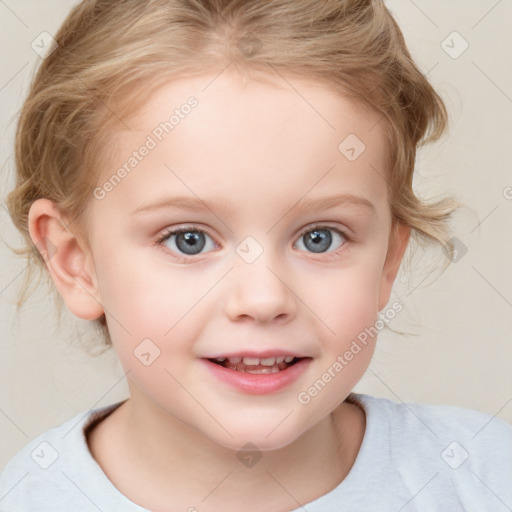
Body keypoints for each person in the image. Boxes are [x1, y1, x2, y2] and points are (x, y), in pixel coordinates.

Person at [1, 0, 510, 510]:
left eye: (320, 237)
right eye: (189, 240)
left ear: (387, 261)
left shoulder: (483, 477)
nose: (264, 299)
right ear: (75, 261)